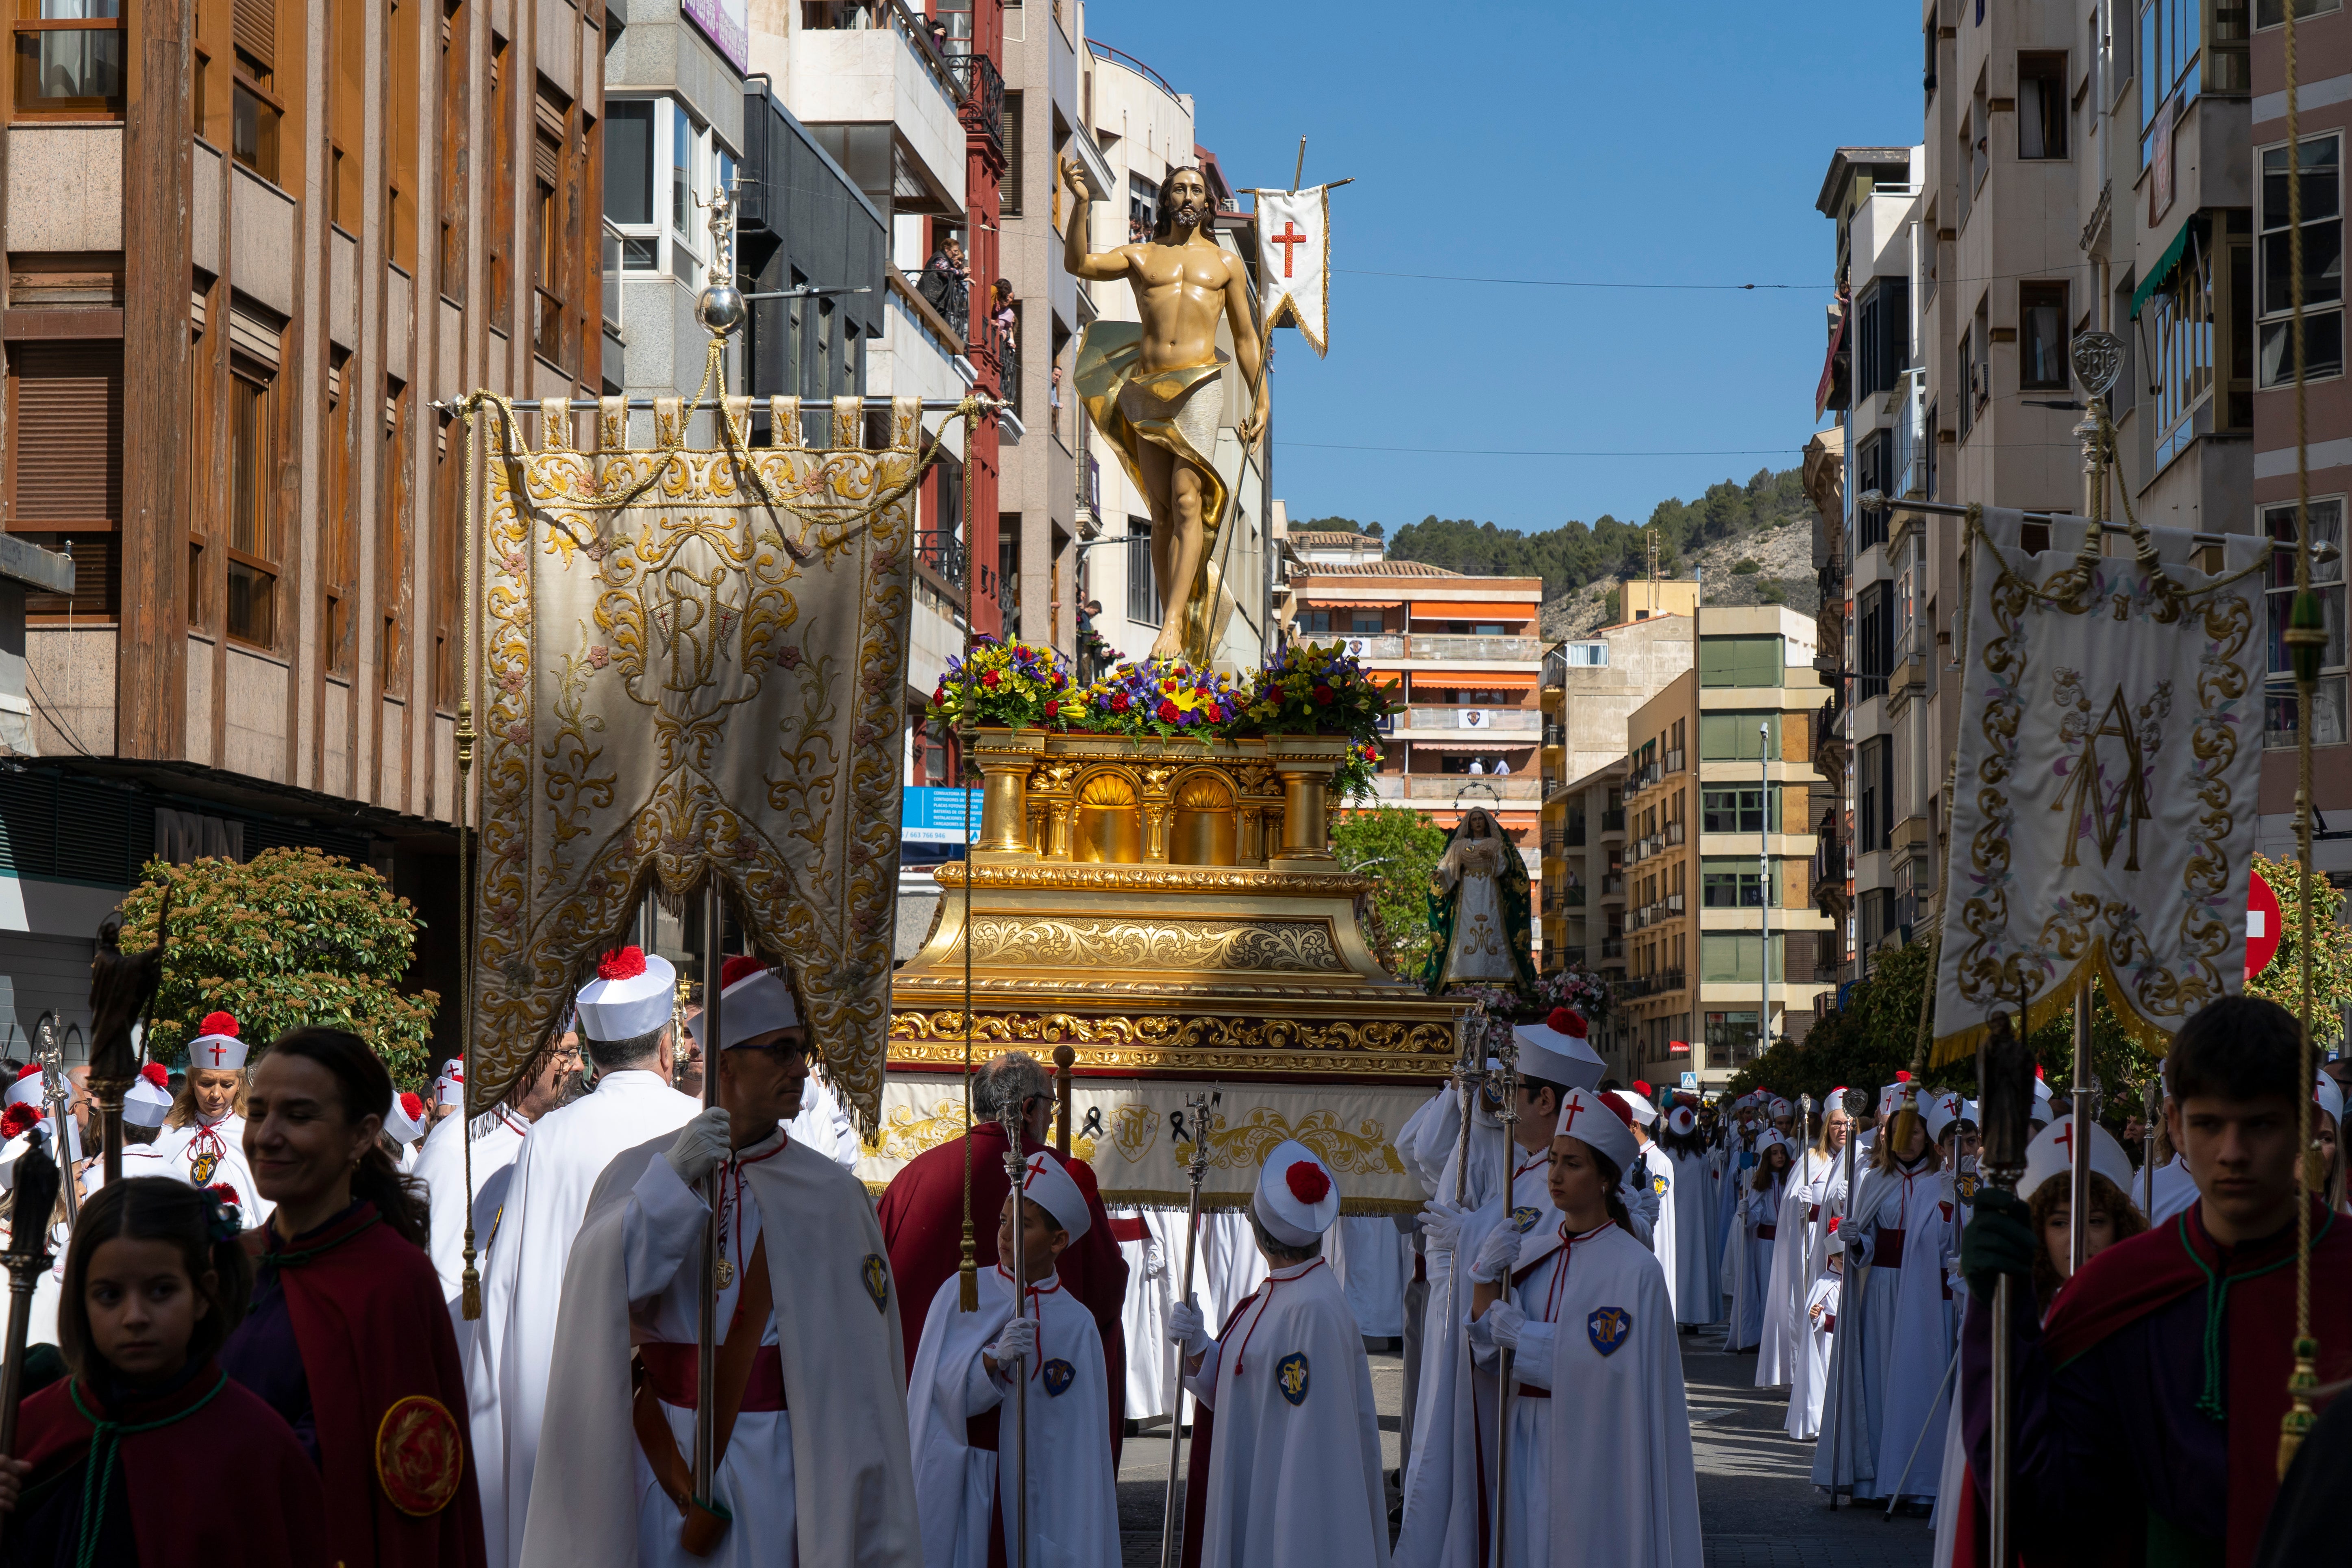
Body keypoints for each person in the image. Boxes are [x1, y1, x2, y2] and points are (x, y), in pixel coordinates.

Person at [519, 954, 917, 1567]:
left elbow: (863, 1374)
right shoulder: (641, 1170)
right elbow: (606, 1291)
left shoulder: (833, 1196)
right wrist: (670, 1184)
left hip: (781, 1462)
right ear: (726, 1063)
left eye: (801, 1050)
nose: (800, 1070)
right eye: (781, 1051)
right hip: (661, 1459)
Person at [1961, 996, 2352, 1566]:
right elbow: (2042, 1497)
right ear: (2174, 1122)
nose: (2232, 1153)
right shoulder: (2116, 1291)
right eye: (2208, 1124)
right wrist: (1998, 1312)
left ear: (2309, 1127)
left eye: (2261, 1124)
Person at [468, 946, 698, 1568]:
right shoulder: (698, 1126)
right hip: (679, 1408)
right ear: (667, 1048)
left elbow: (511, 1289)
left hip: (564, 1392)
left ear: (591, 1053)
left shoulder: (549, 1137)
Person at [222, 1028, 486, 1567]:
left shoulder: (393, 1281)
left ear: (362, 1135)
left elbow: (414, 1483)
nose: (266, 1135)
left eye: (299, 1115)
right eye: (258, 1112)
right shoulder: (230, 1264)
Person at [0, 1178, 330, 1567]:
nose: (135, 1317)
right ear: (80, 1300)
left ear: (204, 1294)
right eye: (109, 1295)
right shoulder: (30, 1427)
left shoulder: (257, 1446)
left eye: (161, 1291)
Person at [1397, 1014, 1601, 1566]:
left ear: (1544, 1101)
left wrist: (1467, 1235)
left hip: (1537, 1389)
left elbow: (1546, 1254)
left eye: (1516, 1087)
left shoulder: (1561, 1180)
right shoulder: (1531, 1168)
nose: (1504, 1097)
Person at [1062, 159, 1267, 661]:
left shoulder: (1225, 264)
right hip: (1146, 387)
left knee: (1187, 498)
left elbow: (1246, 338)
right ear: (1166, 200)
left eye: (1196, 189)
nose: (1188, 196)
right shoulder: (1142, 255)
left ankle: (1173, 623)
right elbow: (1079, 265)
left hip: (1199, 385)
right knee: (1160, 513)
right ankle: (1169, 619)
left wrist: (1261, 399)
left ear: (1207, 203)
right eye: (1179, 189)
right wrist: (1081, 204)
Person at [878, 1051, 1127, 1455]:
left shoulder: (913, 1177)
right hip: (1038, 1424)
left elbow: (875, 1289)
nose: (1051, 1120)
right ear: (1029, 1108)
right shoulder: (1062, 1184)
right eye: (1050, 1107)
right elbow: (1106, 1290)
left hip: (925, 1420)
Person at [1932, 1111, 2144, 1568]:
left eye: (2094, 1220)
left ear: (2119, 1226)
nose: (2077, 1239)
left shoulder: (2138, 1314)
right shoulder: (2017, 1311)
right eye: (2059, 1222)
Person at [1168, 1142, 1388, 1568]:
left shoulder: (1310, 1306)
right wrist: (1199, 1347)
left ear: (1259, 1234)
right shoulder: (1283, 1292)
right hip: (1262, 1483)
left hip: (1288, 1507)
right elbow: (1248, 1388)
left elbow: (1311, 1446)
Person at [907, 1151, 1117, 1568]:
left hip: (1045, 1493)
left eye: (1023, 1224)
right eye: (1004, 1220)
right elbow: (935, 1399)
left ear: (1058, 1241)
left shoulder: (1077, 1323)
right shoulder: (963, 1292)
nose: (1004, 1234)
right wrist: (991, 1362)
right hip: (974, 1486)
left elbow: (1082, 1442)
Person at [1521, 1087, 1703, 1567]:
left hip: (1598, 1452)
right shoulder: (1531, 1256)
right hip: (1525, 1449)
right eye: (1553, 1160)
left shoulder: (1635, 1269)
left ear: (1605, 1177)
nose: (1555, 1175)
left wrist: (1521, 1341)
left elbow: (1609, 1370)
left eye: (1572, 1164)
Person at [1813, 1083, 1956, 1507]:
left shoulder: (1943, 1182)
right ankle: (1873, 1479)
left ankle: (1916, 1478)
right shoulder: (1874, 1179)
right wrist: (1855, 1238)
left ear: (1928, 1136)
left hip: (1926, 1295)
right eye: (1899, 1131)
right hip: (1881, 1292)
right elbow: (1866, 1246)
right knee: (1878, 1380)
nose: (1907, 1139)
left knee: (1919, 1382)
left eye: (1916, 1131)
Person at [411, 1029, 579, 1309]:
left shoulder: (538, 1133)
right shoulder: (459, 1145)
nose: (579, 1065)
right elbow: (435, 1277)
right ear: (524, 1064)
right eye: (566, 1053)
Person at [156, 1011, 268, 1225]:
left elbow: (267, 1214)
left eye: (227, 1085)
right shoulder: (169, 1137)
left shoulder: (255, 1136)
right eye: (206, 1084)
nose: (216, 1094)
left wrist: (233, 1217)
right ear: (192, 1083)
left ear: (239, 1086)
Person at [1656, 1096, 1719, 1329]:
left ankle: (1670, 1313)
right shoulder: (1701, 1161)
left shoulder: (1663, 1158)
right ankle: (1693, 1314)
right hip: (1695, 1227)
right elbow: (1708, 1201)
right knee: (1694, 1266)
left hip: (1670, 1224)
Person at [1728, 1136, 1790, 1357]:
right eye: (1774, 1153)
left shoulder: (1791, 1179)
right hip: (1765, 1245)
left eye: (1782, 1152)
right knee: (1767, 1291)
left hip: (1787, 1243)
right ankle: (1766, 1337)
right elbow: (1755, 1218)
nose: (1780, 1157)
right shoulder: (1759, 1183)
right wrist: (1746, 1213)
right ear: (1766, 1157)